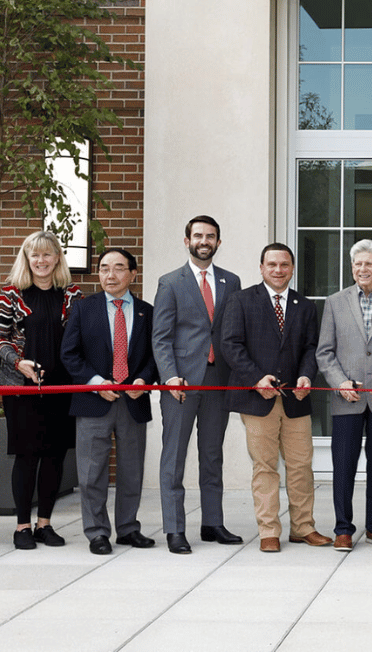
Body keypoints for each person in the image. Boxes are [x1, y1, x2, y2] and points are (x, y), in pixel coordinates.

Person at [221, 243, 329, 553]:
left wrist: (308, 375)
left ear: (292, 269)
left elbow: (311, 347)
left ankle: (303, 527)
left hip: (296, 399)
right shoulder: (241, 301)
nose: (278, 270)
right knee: (265, 467)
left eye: (284, 265)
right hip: (257, 400)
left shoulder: (304, 305)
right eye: (272, 264)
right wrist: (256, 378)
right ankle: (269, 530)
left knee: (300, 466)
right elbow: (231, 345)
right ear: (261, 267)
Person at [152, 215, 243, 554]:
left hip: (218, 381)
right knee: (173, 458)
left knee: (212, 455)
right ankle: (175, 529)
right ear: (187, 240)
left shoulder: (231, 281)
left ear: (218, 242)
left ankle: (212, 523)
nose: (204, 241)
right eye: (198, 235)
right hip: (181, 383)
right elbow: (160, 337)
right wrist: (169, 375)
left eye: (211, 236)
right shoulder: (170, 282)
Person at [60, 248, 156, 554]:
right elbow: (69, 354)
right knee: (91, 472)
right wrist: (96, 383)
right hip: (93, 401)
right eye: (103, 268)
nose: (110, 275)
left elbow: (156, 355)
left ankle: (128, 528)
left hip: (133, 400)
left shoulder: (147, 312)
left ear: (132, 274)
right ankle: (97, 532)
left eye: (118, 268)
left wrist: (143, 380)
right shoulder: (83, 309)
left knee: (132, 471)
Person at [0, 231, 83, 550]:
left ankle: (45, 524)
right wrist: (19, 363)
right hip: (21, 387)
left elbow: (80, 340)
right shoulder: (11, 294)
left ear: (57, 258)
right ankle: (22, 527)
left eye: (47, 255)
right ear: (26, 259)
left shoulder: (72, 294)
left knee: (55, 455)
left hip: (61, 386)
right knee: (27, 455)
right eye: (35, 255)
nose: (41, 261)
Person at [317, 239, 372, 551]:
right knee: (344, 464)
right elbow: (324, 352)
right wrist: (339, 382)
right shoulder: (335, 302)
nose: (362, 269)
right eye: (358, 264)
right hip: (346, 398)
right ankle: (343, 528)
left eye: (369, 264)